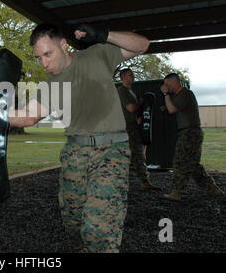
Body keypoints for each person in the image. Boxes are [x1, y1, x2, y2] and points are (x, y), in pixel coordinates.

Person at [9, 23, 149, 253]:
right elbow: (27, 116)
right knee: (73, 226)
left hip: (111, 151)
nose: (44, 63)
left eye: (48, 54)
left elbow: (143, 45)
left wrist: (105, 35)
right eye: (39, 57)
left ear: (63, 45)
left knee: (98, 229)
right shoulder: (49, 85)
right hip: (75, 155)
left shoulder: (97, 54)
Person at [160, 73, 224, 201]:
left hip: (190, 133)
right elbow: (172, 108)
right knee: (193, 165)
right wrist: (165, 107)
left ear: (174, 82)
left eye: (167, 84)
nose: (165, 87)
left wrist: (165, 94)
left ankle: (176, 192)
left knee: (179, 161)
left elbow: (172, 109)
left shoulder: (186, 93)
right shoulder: (179, 96)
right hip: (190, 133)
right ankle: (213, 187)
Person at [117, 68, 160, 190]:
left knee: (138, 155)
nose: (133, 76)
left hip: (133, 127)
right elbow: (131, 108)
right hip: (127, 129)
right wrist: (141, 102)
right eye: (130, 75)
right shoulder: (122, 91)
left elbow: (132, 112)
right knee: (132, 156)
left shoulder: (131, 92)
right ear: (123, 77)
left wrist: (138, 118)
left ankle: (144, 181)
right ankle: (121, 183)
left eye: (133, 74)